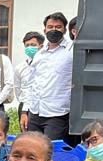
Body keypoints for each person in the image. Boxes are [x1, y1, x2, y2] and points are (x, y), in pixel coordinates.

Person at [21, 12, 73, 141]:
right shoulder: (40, 53)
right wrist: (24, 111)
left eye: (58, 27)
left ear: (65, 30)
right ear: (44, 30)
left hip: (57, 114)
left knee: (51, 152)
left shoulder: (72, 50)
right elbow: (31, 82)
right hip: (35, 112)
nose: (54, 30)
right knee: (32, 150)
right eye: (50, 27)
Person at [15, 32, 45, 111]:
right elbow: (17, 89)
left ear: (41, 46)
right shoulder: (20, 67)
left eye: (33, 45)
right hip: (24, 105)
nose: (29, 47)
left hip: (42, 105)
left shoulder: (46, 65)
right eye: (27, 45)